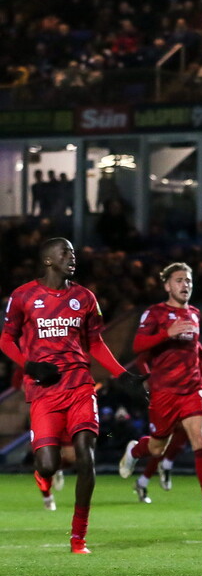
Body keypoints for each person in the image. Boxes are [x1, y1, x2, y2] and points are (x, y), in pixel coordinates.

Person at [0, 237, 145, 553]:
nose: (72, 256)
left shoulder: (85, 298)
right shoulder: (24, 296)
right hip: (44, 390)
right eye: (65, 252)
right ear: (48, 260)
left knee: (85, 455)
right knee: (48, 463)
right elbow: (6, 340)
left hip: (80, 385)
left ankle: (78, 537)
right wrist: (31, 366)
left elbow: (95, 344)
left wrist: (123, 375)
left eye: (74, 252)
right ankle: (44, 477)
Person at [118, 262, 202, 524]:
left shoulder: (195, 314)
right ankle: (134, 451)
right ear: (167, 285)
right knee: (157, 447)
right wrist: (166, 333)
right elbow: (138, 345)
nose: (185, 285)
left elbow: (194, 344)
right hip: (164, 391)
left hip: (193, 387)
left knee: (200, 439)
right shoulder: (154, 313)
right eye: (179, 280)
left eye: (188, 280)